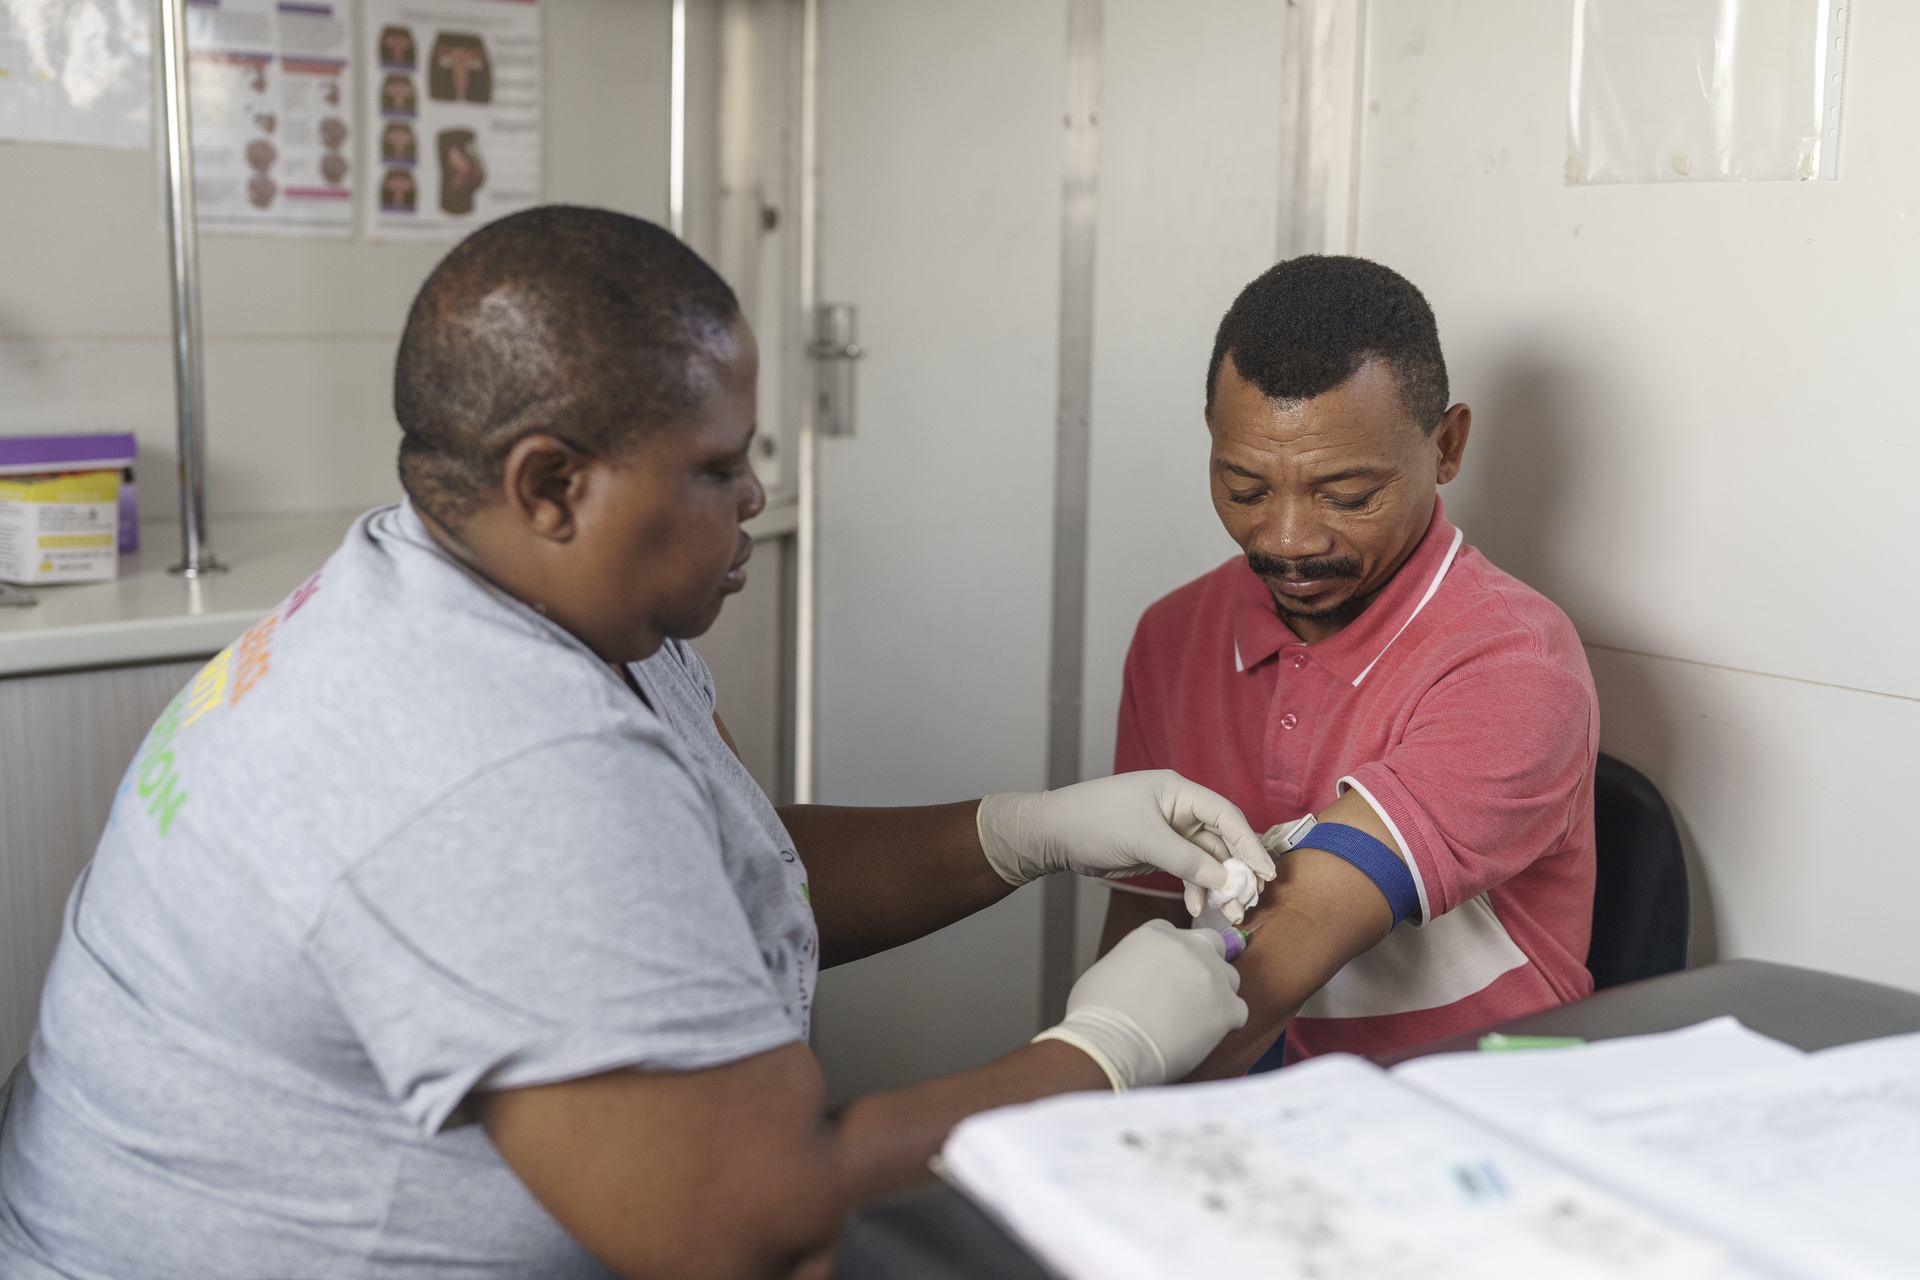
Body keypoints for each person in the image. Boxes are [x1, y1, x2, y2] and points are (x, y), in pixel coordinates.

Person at [0, 207, 1262, 1280]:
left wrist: (1029, 829)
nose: (755, 495)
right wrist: (1100, 1056)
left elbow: (720, 876)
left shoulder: (489, 581)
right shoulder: (481, 752)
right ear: (552, 485)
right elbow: (748, 1221)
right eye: (717, 467)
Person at [1099, 256, 1599, 1076]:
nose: (1288, 540)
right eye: (1245, 486)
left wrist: (1083, 1092)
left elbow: (1279, 957)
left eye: (1346, 494)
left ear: (1447, 446)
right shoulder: (1173, 635)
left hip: (1470, 1093)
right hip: (1245, 1076)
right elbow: (1143, 926)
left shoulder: (1517, 663)